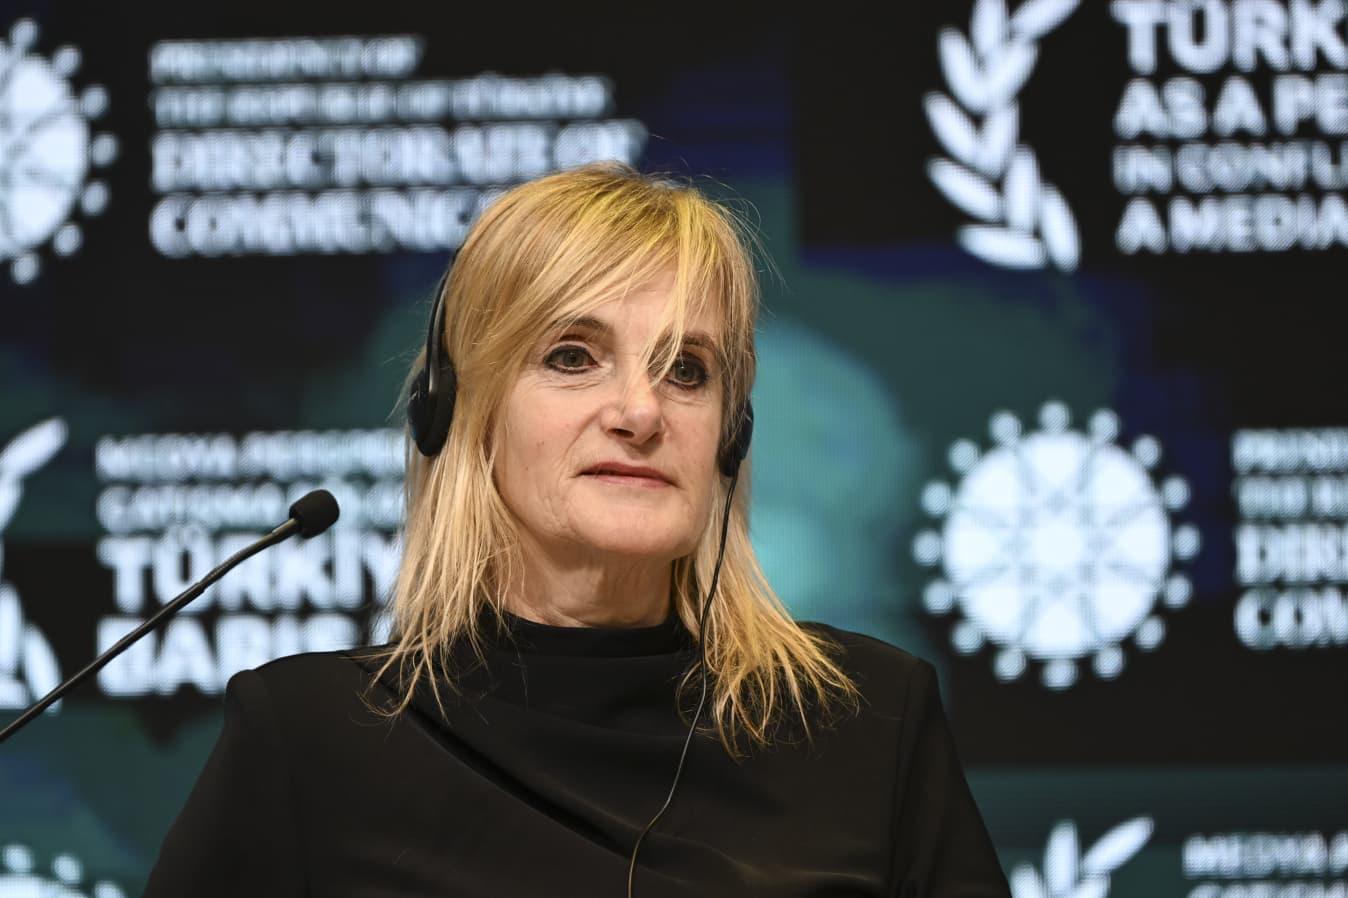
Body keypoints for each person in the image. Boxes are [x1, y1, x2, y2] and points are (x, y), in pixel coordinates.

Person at [142, 163, 1011, 898]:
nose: (641, 412)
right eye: (571, 357)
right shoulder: (308, 739)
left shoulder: (871, 720)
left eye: (687, 370)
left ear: (731, 434)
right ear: (461, 414)